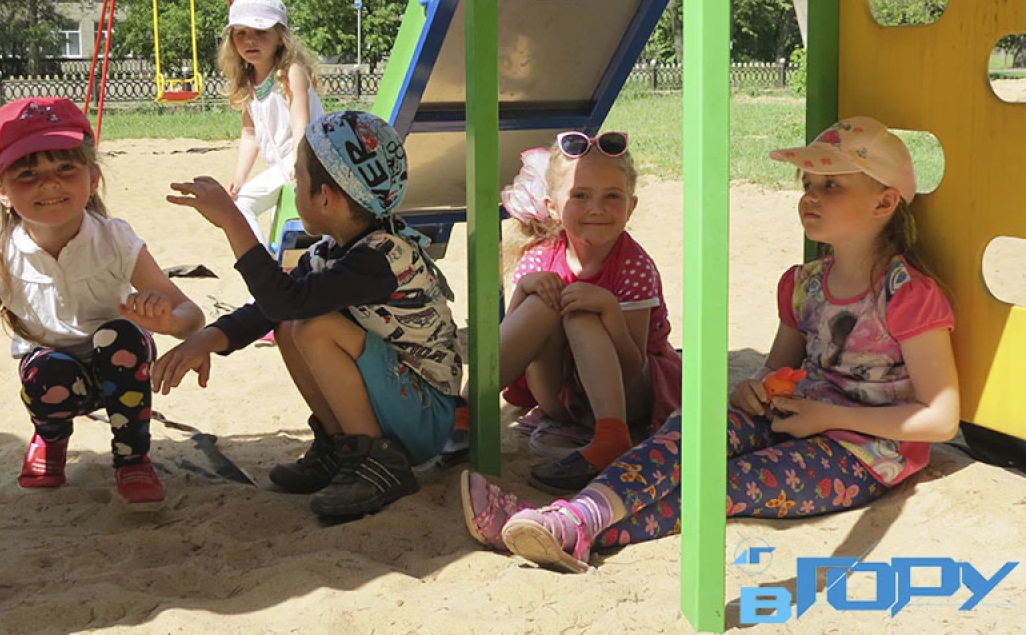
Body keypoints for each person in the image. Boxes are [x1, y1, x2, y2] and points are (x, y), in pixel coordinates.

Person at [461, 116, 960, 573]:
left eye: (831, 185)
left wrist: (825, 417)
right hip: (794, 417)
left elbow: (941, 419)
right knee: (688, 433)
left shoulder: (907, 295)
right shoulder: (804, 283)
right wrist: (753, 392)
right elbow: (774, 370)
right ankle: (570, 517)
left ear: (884, 203)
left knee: (729, 483)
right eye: (808, 185)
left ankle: (566, 526)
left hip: (864, 453)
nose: (810, 196)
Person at [0, 97, 206, 505]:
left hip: (121, 371)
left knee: (121, 337)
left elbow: (190, 314)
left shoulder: (115, 240)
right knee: (46, 366)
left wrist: (168, 323)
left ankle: (132, 457)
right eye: (28, 173)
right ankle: (51, 437)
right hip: (54, 381)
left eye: (65, 168)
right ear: (2, 190)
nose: (49, 183)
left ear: (92, 179)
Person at [155, 111, 463, 519]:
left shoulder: (381, 258)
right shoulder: (331, 253)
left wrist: (233, 220)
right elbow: (273, 310)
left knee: (313, 327)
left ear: (326, 198)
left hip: (424, 415)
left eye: (298, 179)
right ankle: (341, 448)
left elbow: (284, 300)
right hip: (399, 402)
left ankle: (378, 464)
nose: (293, 186)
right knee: (290, 324)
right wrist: (206, 339)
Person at [450, 131, 682, 493]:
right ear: (553, 206)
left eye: (612, 196)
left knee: (580, 313)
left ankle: (611, 436)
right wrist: (524, 291)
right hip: (559, 396)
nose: (596, 208)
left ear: (631, 206)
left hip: (626, 399)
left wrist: (608, 310)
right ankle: (465, 411)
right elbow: (516, 347)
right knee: (545, 300)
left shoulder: (634, 265)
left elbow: (634, 367)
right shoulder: (541, 259)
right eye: (580, 195)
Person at [219, 0, 326, 246]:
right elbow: (250, 134)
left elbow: (301, 124)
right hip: (281, 164)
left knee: (244, 205)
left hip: (309, 155)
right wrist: (239, 177)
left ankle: (260, 264)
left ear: (280, 37)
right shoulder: (247, 80)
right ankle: (274, 263)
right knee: (275, 223)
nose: (250, 40)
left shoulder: (290, 72)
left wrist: (300, 166)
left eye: (260, 32)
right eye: (241, 33)